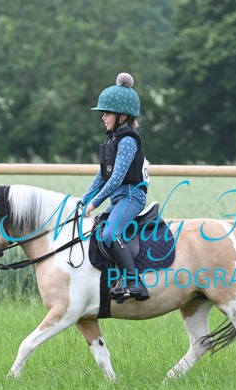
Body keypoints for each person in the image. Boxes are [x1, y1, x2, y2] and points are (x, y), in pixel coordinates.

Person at [81, 72, 150, 303]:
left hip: (131, 197)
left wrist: (94, 203)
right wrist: (83, 199)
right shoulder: (112, 140)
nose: (103, 117)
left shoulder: (128, 140)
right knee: (99, 229)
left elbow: (116, 179)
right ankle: (114, 278)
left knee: (111, 233)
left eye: (107, 113)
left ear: (123, 116)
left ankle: (134, 281)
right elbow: (102, 176)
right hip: (119, 199)